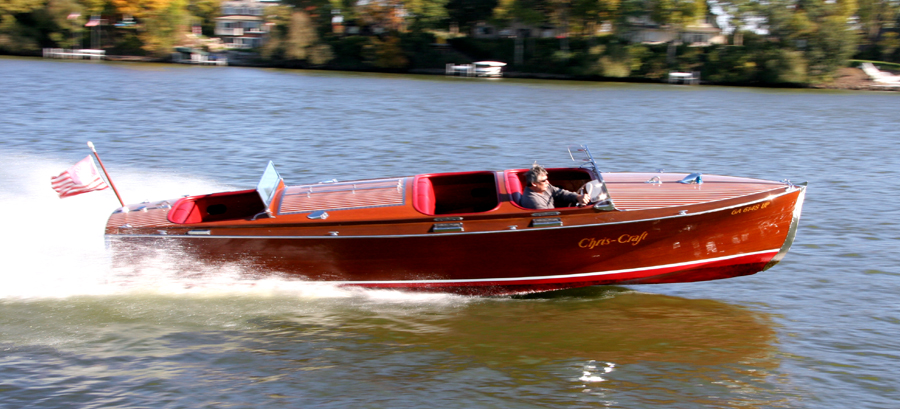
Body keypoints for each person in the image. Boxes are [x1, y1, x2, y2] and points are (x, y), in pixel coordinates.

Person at [519, 164, 590, 209]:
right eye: (544, 180)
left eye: (547, 179)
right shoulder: (533, 201)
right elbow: (548, 217)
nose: (548, 182)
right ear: (534, 183)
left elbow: (560, 193)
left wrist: (578, 197)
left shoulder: (544, 187)